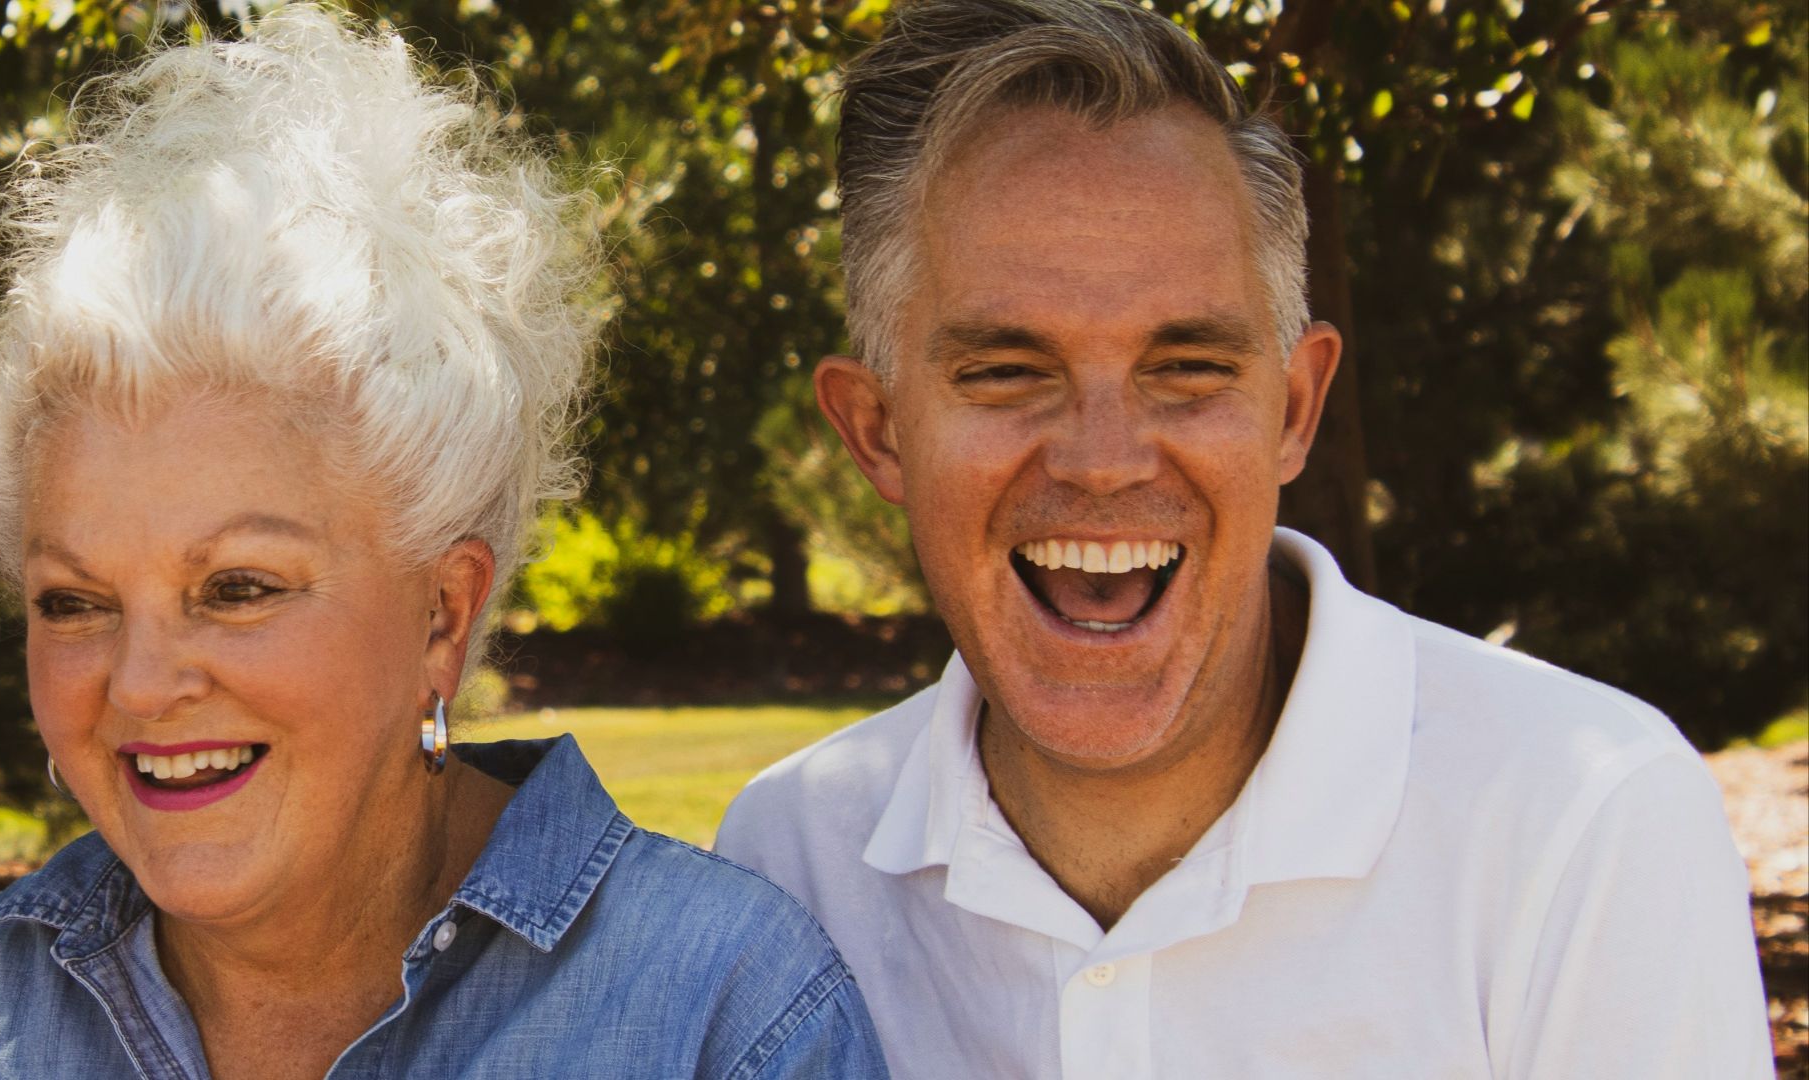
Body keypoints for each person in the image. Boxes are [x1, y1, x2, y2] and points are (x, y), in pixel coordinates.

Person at [714, 1, 1772, 1076]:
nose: (1104, 458)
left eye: (1188, 367)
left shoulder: (1580, 823)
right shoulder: (793, 861)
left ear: (1296, 409)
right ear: (878, 432)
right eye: (1006, 372)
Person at [0, 9, 886, 1078]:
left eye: (237, 587)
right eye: (74, 602)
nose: (139, 683)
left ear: (443, 613)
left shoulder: (718, 1010)